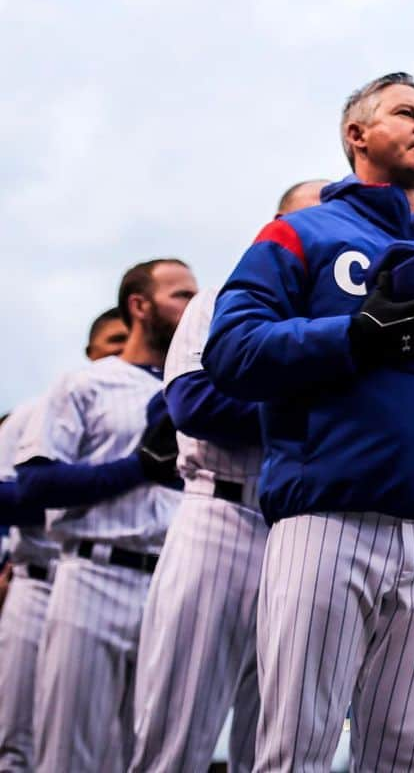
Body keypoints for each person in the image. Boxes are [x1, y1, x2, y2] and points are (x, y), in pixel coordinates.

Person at [204, 75, 414, 773]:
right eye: (407, 112)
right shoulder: (302, 230)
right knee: (298, 747)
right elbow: (229, 351)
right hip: (327, 518)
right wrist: (352, 337)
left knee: (408, 754)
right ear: (357, 136)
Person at [128, 179, 328, 773]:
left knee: (277, 732)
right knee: (177, 734)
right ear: (277, 228)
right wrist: (328, 408)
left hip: (303, 530)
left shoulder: (345, 320)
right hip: (221, 518)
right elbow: (196, 406)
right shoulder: (220, 299)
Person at [19, 260, 198, 772]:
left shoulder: (189, 391)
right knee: (69, 755)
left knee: (150, 752)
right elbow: (35, 486)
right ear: (140, 306)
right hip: (92, 575)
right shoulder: (85, 385)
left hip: (169, 580)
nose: (191, 304)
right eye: (179, 295)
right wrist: (136, 468)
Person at [0, 308, 130, 770]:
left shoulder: (149, 412)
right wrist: (101, 486)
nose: (120, 348)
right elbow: (6, 497)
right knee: (19, 743)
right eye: (112, 340)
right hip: (39, 581)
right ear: (90, 352)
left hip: (117, 578)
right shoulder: (38, 411)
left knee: (112, 749)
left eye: (127, 339)